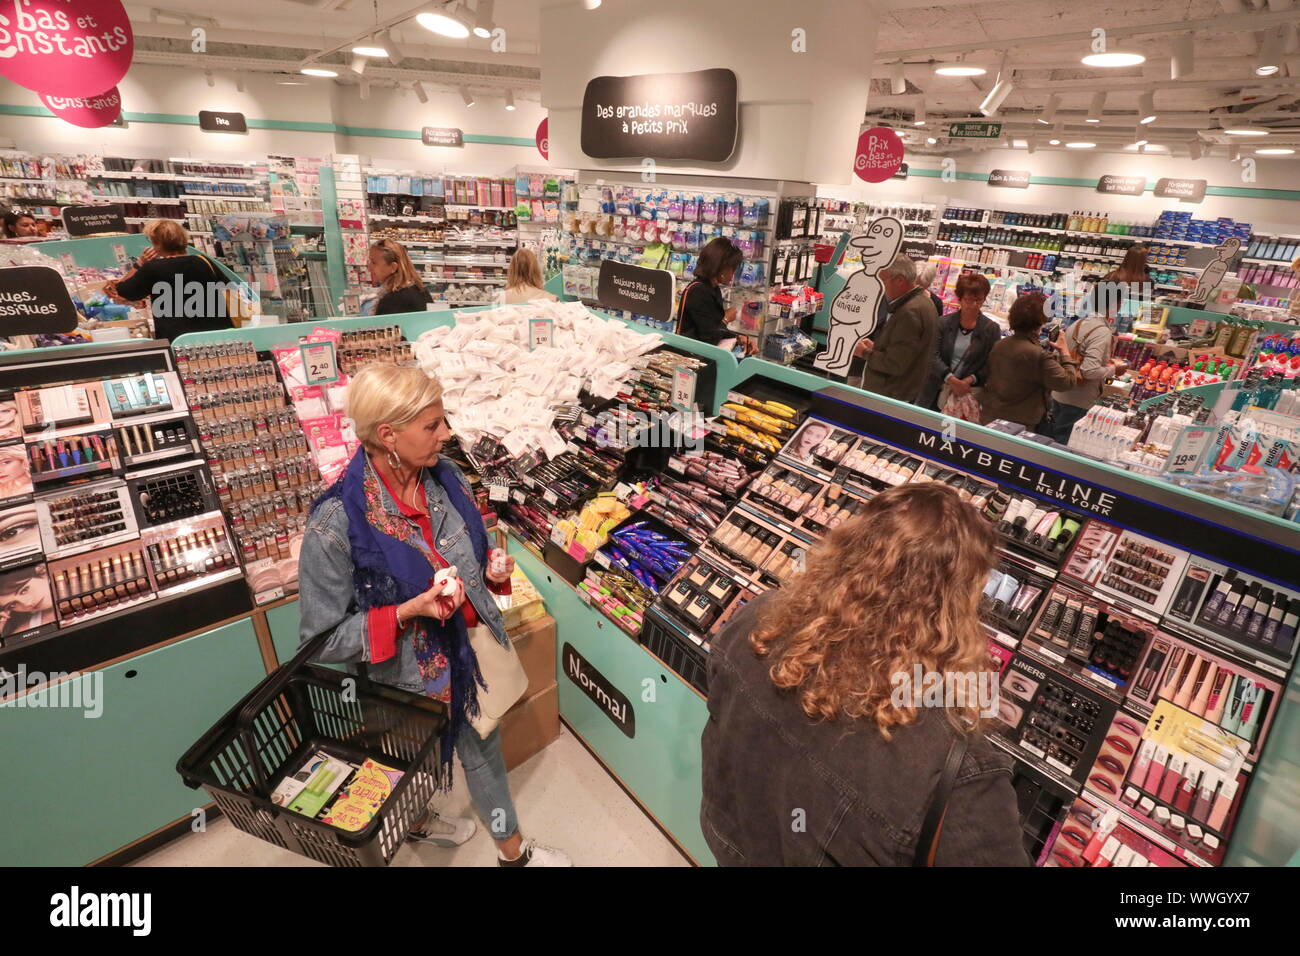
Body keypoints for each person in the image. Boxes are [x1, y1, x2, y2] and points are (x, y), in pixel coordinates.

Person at [298, 364, 570, 867]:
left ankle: (515, 855)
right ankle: (420, 824)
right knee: (404, 762)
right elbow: (321, 640)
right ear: (388, 435)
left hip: (463, 660)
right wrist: (406, 611)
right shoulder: (336, 524)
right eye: (432, 426)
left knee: (481, 749)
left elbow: (469, 555)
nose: (447, 434)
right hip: (401, 680)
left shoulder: (445, 478)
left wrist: (490, 575)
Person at [701, 482, 1029, 866]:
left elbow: (719, 720)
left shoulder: (756, 622)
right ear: (961, 601)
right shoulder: (958, 771)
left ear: (850, 546)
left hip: (730, 846)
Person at [103, 219, 237, 342]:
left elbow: (124, 291)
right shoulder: (203, 261)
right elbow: (230, 287)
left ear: (158, 244)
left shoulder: (153, 269)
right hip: (217, 336)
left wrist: (139, 264)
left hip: (178, 340)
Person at [979, 292, 1079, 431]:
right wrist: (1065, 352)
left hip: (991, 417)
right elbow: (1067, 382)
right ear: (1040, 321)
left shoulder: (1000, 345)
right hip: (1021, 425)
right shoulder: (1038, 354)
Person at [1047, 282, 1127, 443]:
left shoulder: (1078, 323)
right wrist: (1114, 369)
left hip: (1059, 393)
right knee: (1062, 446)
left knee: (1048, 439)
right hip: (1078, 401)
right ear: (1114, 304)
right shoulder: (1102, 332)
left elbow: (1064, 354)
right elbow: (1088, 371)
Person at [855, 254, 939, 402]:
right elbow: (905, 352)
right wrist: (876, 347)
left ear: (900, 280)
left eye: (883, 281)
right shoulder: (923, 302)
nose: (881, 287)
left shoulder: (910, 312)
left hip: (889, 394)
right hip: (902, 391)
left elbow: (895, 364)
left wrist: (864, 352)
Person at [919, 272, 1002, 411]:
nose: (974, 305)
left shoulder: (991, 329)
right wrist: (951, 379)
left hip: (970, 394)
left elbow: (992, 364)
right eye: (969, 300)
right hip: (936, 390)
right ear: (960, 299)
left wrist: (969, 380)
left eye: (979, 300)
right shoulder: (943, 323)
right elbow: (932, 355)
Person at [677, 236, 755, 355]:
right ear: (722, 269)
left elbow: (713, 326)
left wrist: (739, 338)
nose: (733, 274)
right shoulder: (698, 291)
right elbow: (709, 338)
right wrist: (726, 318)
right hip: (691, 359)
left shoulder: (711, 287)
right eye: (733, 269)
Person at [368, 239, 432, 315]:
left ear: (393, 267)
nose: (369, 267)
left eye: (373, 262)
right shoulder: (421, 290)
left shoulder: (392, 300)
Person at [0, 564, 55, 639]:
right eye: (12, 605)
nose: (27, 603)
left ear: (41, 571)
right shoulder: (23, 632)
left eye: (24, 590)